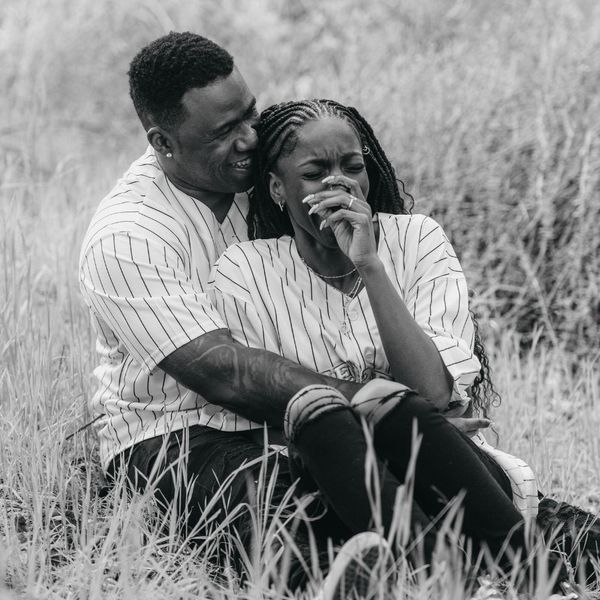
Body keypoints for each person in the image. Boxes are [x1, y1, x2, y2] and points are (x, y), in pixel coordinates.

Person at [78, 31, 422, 598]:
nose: (249, 140)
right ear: (163, 141)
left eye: (250, 114)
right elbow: (227, 375)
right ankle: (346, 579)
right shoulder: (129, 234)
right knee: (275, 507)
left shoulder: (269, 178)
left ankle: (554, 544)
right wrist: (380, 406)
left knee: (434, 478)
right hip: (175, 434)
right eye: (222, 132)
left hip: (292, 418)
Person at [209, 98, 588, 597]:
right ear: (277, 188)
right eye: (315, 172)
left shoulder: (417, 239)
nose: (340, 183)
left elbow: (430, 391)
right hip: (332, 479)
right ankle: (451, 576)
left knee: (393, 409)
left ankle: (538, 584)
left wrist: (368, 264)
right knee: (349, 409)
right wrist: (392, 419)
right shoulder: (245, 270)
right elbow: (271, 411)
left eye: (352, 166)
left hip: (450, 477)